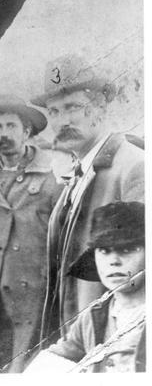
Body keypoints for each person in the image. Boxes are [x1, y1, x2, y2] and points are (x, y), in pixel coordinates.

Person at [31, 54, 145, 341]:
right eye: (54, 112)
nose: (62, 120)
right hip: (78, 337)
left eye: (73, 107)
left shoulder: (135, 167)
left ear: (101, 108)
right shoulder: (78, 173)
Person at [0, 95, 62, 372]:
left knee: (27, 368)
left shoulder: (50, 175)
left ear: (27, 131)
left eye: (11, 126)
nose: (4, 134)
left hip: (31, 297)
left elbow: (62, 236)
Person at [28, 202, 145, 373]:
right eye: (104, 251)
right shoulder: (94, 315)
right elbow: (54, 360)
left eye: (128, 249)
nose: (114, 261)